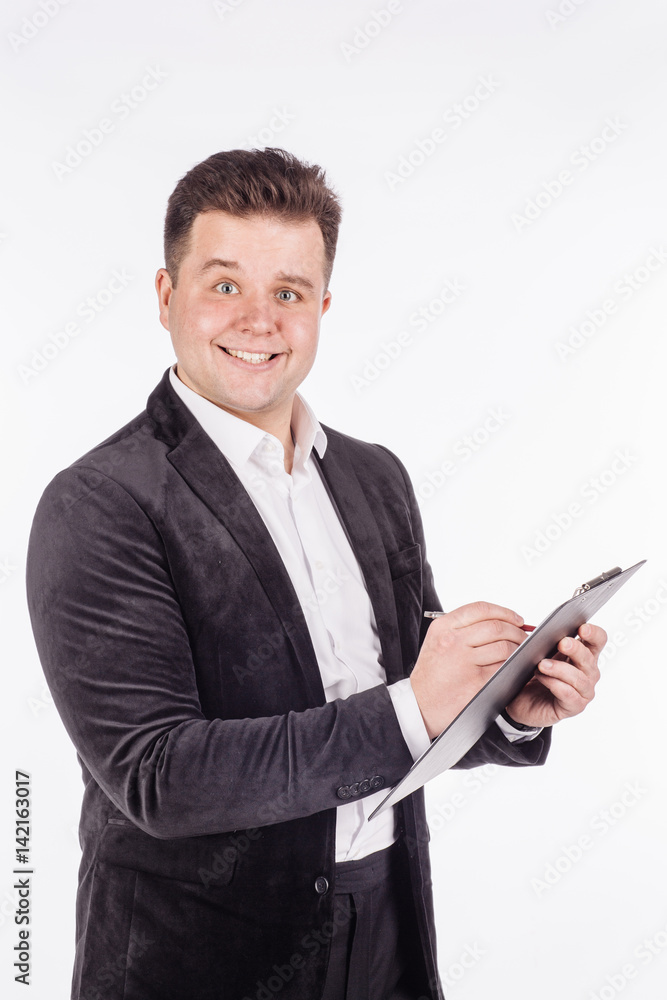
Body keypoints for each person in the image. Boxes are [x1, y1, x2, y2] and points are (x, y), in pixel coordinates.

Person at [26, 148, 605, 1000]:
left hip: (385, 938)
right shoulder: (100, 503)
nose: (258, 320)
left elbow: (412, 710)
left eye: (288, 293)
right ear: (165, 297)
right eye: (224, 285)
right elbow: (159, 775)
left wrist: (505, 711)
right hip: (198, 962)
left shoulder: (375, 479)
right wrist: (420, 701)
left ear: (322, 307)